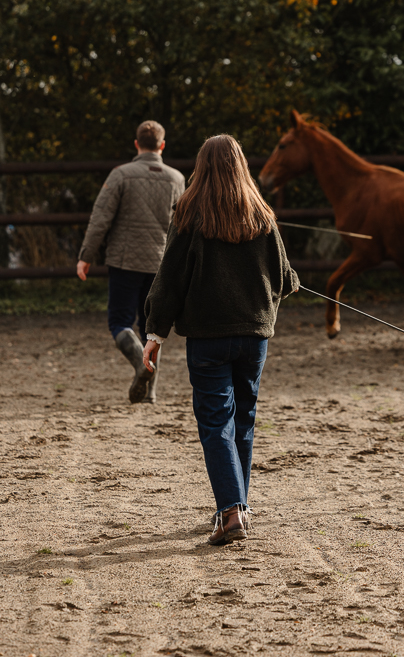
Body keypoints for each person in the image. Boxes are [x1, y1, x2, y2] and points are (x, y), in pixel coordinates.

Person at [142, 134, 299, 545]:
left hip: (209, 339)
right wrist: (287, 286)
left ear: (203, 166)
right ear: (241, 165)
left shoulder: (189, 213)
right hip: (254, 337)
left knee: (216, 424)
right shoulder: (260, 212)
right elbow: (283, 277)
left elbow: (169, 280)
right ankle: (237, 507)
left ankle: (230, 512)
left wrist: (155, 333)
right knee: (242, 421)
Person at [77, 120, 185, 404]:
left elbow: (100, 218)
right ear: (162, 145)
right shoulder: (176, 179)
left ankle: (140, 363)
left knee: (120, 321)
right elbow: (183, 226)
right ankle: (150, 392)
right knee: (153, 328)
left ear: (137, 144)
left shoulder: (121, 175)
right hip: (161, 264)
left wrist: (86, 256)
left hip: (125, 262)